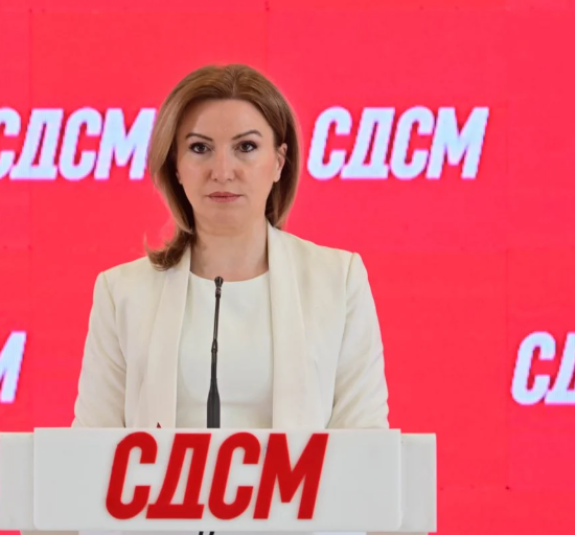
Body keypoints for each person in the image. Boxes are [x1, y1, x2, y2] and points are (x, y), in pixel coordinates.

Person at [72, 63, 388, 431]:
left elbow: (366, 442)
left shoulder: (338, 280)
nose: (222, 171)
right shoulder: (121, 292)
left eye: (246, 147)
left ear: (279, 162)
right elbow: (90, 447)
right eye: (200, 148)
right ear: (175, 165)